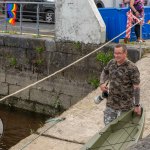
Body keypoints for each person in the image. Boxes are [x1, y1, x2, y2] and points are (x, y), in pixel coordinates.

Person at [100, 44, 141, 125]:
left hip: (125, 107)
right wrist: (101, 83)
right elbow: (104, 72)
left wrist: (137, 105)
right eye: (115, 53)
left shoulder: (132, 68)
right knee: (107, 129)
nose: (116, 55)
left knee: (121, 130)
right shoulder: (111, 63)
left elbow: (136, 88)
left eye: (119, 53)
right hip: (111, 104)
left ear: (125, 53)